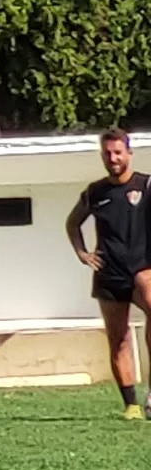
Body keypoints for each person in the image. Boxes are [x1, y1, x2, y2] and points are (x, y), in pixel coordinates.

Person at [70, 128, 151, 421]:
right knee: (118, 339)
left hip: (143, 266)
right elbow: (73, 223)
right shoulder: (96, 192)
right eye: (107, 153)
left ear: (129, 153)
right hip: (109, 273)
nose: (113, 158)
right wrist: (82, 253)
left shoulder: (146, 185)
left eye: (118, 152)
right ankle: (131, 404)